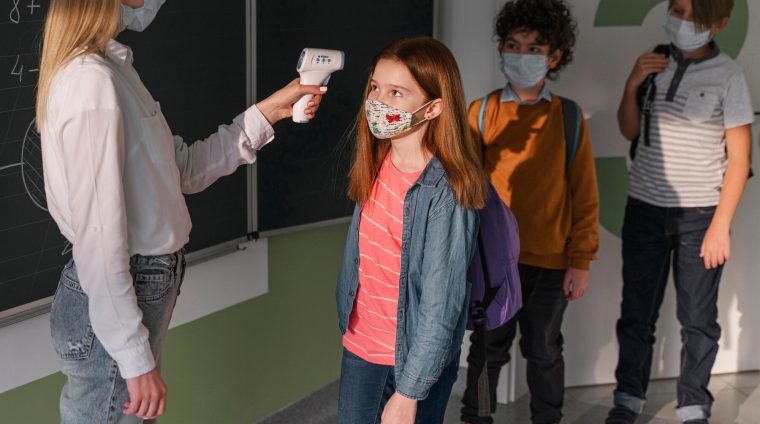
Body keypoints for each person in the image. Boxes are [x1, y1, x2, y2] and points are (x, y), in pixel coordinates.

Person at [38, 0, 326, 422]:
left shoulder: (113, 70)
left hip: (130, 290)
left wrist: (268, 113)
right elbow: (98, 238)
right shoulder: (90, 84)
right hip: (119, 296)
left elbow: (182, 169)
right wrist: (135, 360)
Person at [606, 0, 753, 423]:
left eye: (696, 14)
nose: (683, 20)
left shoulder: (729, 76)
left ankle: (693, 406)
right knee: (636, 313)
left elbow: (740, 157)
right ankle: (627, 400)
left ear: (721, 23)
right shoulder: (654, 62)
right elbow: (628, 129)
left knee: (698, 320)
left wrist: (720, 226)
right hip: (644, 211)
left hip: (700, 216)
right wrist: (634, 81)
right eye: (678, 9)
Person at [335, 37, 487, 424]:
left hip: (408, 362)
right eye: (375, 88)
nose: (379, 101)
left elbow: (442, 303)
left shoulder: (446, 192)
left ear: (434, 107)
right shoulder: (376, 159)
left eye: (397, 92)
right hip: (361, 347)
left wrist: (409, 392)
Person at [460, 1, 599, 423]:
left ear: (554, 57)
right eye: (513, 45)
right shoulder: (481, 113)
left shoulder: (569, 117)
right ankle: (476, 416)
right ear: (501, 50)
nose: (522, 56)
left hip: (552, 264)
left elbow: (584, 193)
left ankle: (547, 419)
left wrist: (581, 261)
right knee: (487, 349)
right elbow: (463, 190)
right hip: (492, 264)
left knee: (543, 349)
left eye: (535, 49)